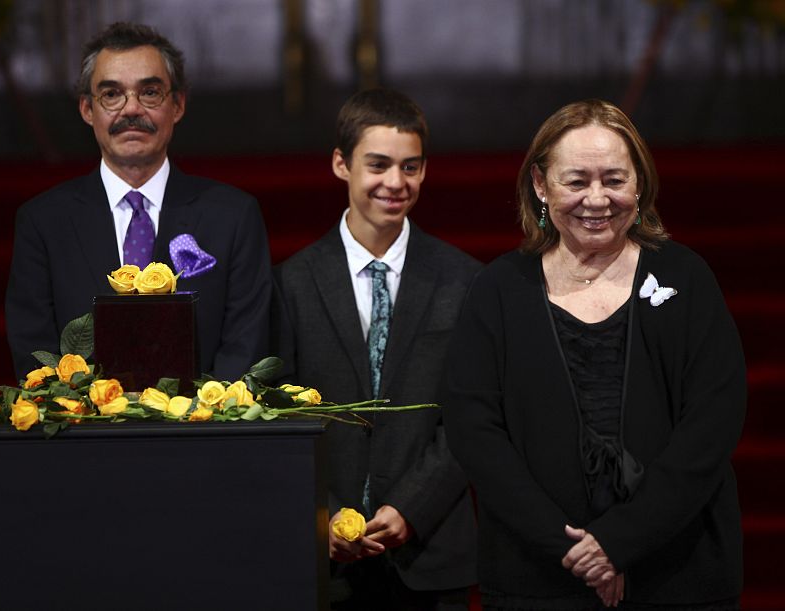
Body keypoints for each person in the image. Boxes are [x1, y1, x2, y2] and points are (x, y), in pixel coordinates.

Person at [442, 99, 745, 610]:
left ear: (639, 183)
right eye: (576, 181)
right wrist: (571, 549)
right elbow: (474, 430)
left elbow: (712, 423)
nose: (597, 199)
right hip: (536, 575)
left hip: (677, 571)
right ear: (540, 185)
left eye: (614, 180)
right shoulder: (498, 289)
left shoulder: (685, 278)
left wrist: (619, 541)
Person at [271, 88, 480, 610]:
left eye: (410, 167)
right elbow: (277, 409)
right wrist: (327, 515)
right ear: (341, 164)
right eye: (379, 165)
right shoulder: (291, 283)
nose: (396, 183)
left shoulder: (464, 280)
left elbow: (473, 415)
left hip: (430, 553)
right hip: (324, 557)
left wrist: (411, 507)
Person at [5, 22, 271, 382]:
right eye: (111, 94)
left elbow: (245, 348)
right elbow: (34, 352)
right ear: (87, 109)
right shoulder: (43, 222)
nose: (131, 110)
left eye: (149, 92)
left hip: (203, 432)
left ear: (177, 105)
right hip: (83, 435)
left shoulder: (234, 216)